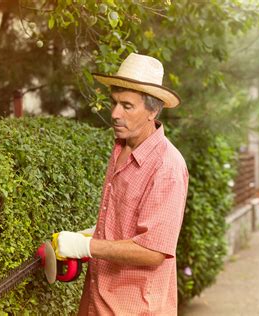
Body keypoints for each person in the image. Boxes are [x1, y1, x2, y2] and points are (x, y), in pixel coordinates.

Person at [55, 53, 189, 315]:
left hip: (134, 308)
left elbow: (153, 250)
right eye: (114, 103)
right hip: (98, 301)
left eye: (127, 106)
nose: (115, 114)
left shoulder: (167, 167)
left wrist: (86, 246)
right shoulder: (121, 148)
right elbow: (127, 220)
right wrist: (95, 232)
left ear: (153, 110)